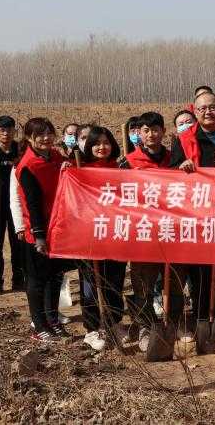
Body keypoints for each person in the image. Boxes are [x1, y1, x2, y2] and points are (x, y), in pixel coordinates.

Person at [169, 91, 215, 342]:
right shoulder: (183, 140)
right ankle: (202, 319)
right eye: (202, 109)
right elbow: (170, 173)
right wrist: (182, 168)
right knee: (200, 273)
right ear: (195, 111)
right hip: (198, 215)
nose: (208, 112)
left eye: (212, 108)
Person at [120, 112, 183, 352]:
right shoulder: (128, 162)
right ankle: (145, 326)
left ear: (163, 132)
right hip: (143, 232)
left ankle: (173, 323)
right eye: (146, 130)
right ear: (139, 133)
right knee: (143, 284)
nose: (151, 135)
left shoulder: (174, 159)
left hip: (172, 231)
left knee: (175, 280)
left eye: (156, 130)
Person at [14, 118, 68, 342]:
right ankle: (39, 325)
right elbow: (32, 204)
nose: (46, 138)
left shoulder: (55, 157)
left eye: (49, 133)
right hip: (38, 231)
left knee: (55, 277)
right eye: (40, 135)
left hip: (58, 227)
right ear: (29, 138)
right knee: (37, 280)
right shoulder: (28, 166)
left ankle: (52, 320)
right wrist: (38, 236)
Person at [77, 126, 128, 351]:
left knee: (114, 282)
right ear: (89, 147)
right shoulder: (80, 169)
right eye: (96, 143)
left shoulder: (120, 169)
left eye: (106, 143)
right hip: (89, 235)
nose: (101, 147)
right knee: (90, 284)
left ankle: (114, 323)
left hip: (115, 233)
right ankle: (92, 328)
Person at [0, 115, 22, 293]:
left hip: (16, 204)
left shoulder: (20, 150)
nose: (6, 133)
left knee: (18, 241)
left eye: (9, 129)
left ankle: (19, 279)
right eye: (2, 130)